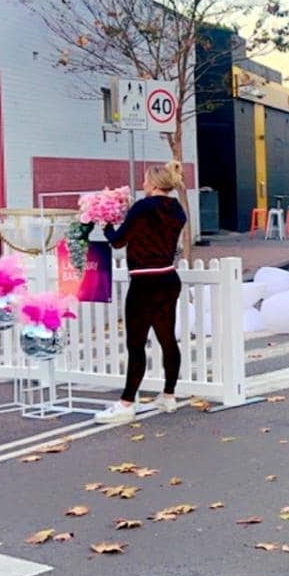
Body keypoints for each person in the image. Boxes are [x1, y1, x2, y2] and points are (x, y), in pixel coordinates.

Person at [95, 162, 188, 425]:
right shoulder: (177, 209)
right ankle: (169, 395)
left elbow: (118, 241)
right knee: (167, 339)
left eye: (146, 180)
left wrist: (106, 223)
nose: (143, 184)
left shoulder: (143, 207)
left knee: (136, 344)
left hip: (143, 281)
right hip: (168, 278)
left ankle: (126, 403)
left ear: (155, 183)